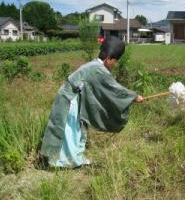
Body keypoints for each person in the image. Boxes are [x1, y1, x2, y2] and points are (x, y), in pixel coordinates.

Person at [40, 36, 144, 168]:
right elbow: (113, 88)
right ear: (109, 59)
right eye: (115, 61)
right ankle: (65, 163)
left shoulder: (94, 65)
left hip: (69, 97)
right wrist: (133, 97)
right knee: (70, 131)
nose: (115, 64)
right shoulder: (98, 69)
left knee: (74, 130)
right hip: (70, 100)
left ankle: (69, 160)